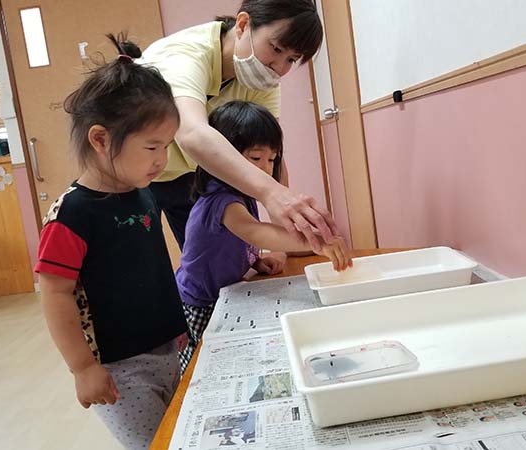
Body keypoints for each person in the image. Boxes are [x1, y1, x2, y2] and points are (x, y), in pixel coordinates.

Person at [35, 34, 187, 449]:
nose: (162, 159)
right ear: (100, 139)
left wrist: (174, 325)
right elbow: (55, 294)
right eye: (152, 146)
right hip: (118, 369)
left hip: (165, 349)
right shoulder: (72, 214)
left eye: (167, 146)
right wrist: (82, 368)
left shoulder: (143, 192)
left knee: (180, 433)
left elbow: (152, 266)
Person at [139, 0, 337, 253]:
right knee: (143, 262)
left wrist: (286, 238)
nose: (279, 68)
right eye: (276, 48)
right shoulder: (185, 56)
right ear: (243, 25)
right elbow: (192, 133)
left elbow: (270, 151)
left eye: (291, 59)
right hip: (137, 174)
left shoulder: (261, 79)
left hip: (191, 174)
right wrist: (271, 194)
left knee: (210, 255)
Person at [175, 101, 352, 371]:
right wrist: (315, 241)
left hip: (229, 291)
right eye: (256, 158)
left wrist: (255, 261)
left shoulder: (243, 194)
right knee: (202, 364)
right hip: (201, 302)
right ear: (225, 158)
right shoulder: (219, 199)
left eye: (271, 159)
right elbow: (255, 233)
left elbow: (235, 242)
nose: (266, 169)